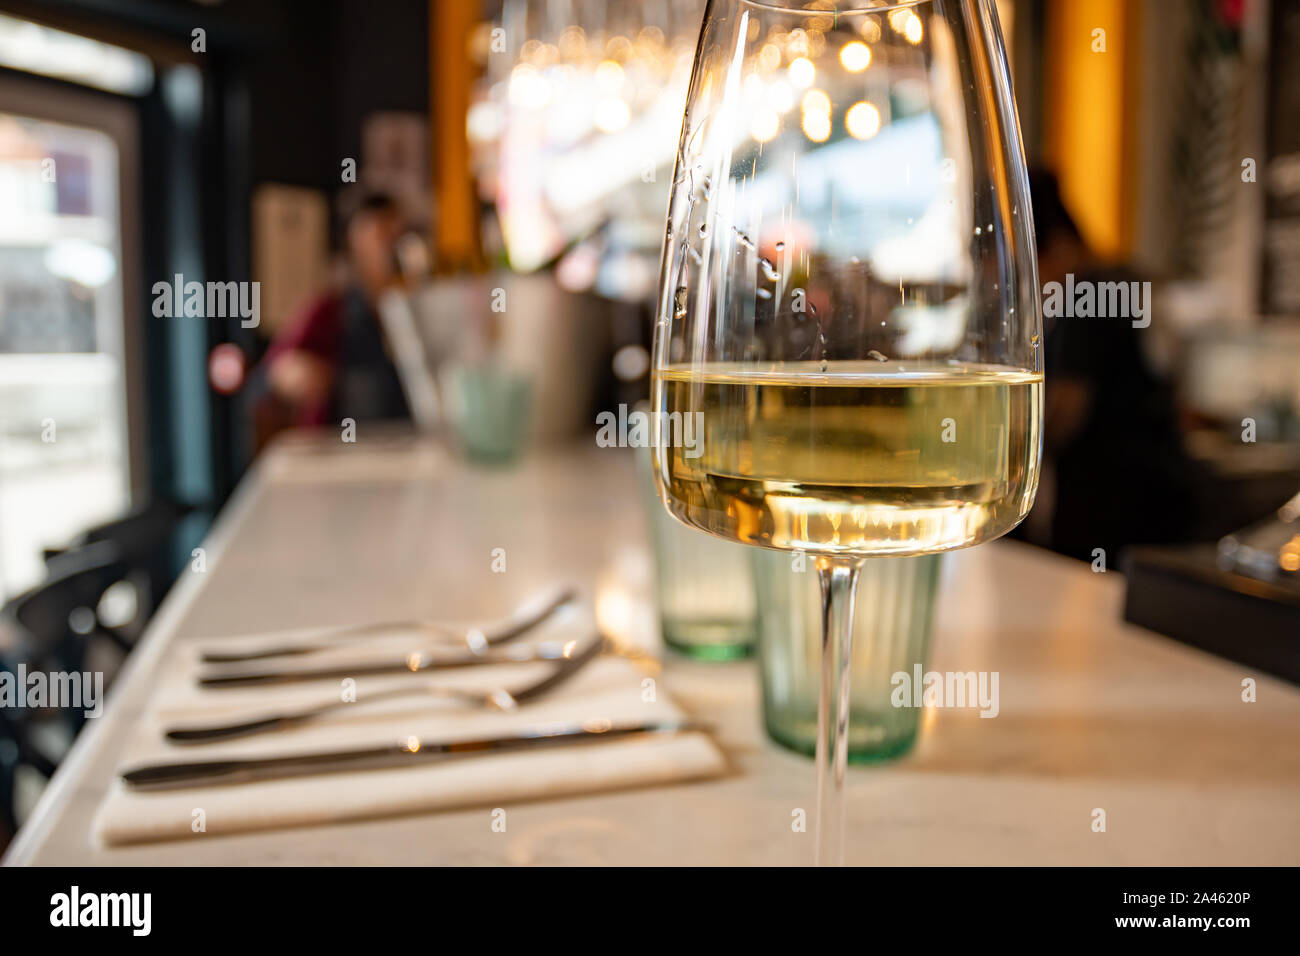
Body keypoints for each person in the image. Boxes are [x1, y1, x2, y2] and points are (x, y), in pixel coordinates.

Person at [1028, 170, 1201, 563]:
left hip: (1115, 503)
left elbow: (1066, 411)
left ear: (1054, 247)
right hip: (1153, 497)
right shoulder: (1119, 283)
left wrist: (1008, 458)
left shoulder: (1084, 295)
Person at [256, 191, 412, 440]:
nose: (391, 242)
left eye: (397, 231)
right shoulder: (330, 308)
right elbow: (272, 372)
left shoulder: (414, 306)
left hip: (410, 445)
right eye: (380, 231)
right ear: (354, 237)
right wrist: (294, 372)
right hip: (341, 450)